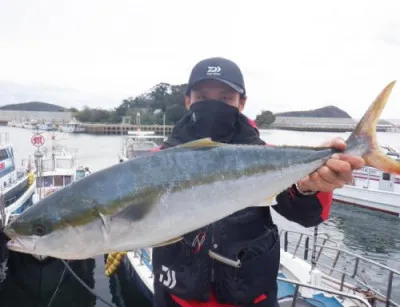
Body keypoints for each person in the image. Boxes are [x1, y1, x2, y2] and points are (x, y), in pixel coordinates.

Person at [151, 57, 364, 307]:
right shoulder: (158, 162)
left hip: (250, 297)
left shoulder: (266, 156)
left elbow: (308, 215)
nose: (213, 106)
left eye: (225, 98)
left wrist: (310, 186)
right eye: (202, 96)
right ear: (188, 100)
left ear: (242, 103)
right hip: (177, 296)